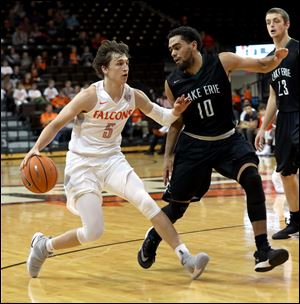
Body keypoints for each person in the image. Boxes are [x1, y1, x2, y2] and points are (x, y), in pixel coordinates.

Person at [20, 40, 209, 280]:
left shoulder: (133, 95)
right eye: (119, 63)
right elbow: (57, 124)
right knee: (93, 231)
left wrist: (176, 112)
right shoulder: (89, 96)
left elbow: (162, 117)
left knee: (147, 202)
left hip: (112, 160)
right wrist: (35, 149)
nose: (125, 67)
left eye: (127, 63)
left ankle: (187, 258)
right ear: (105, 69)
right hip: (82, 164)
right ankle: (44, 246)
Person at [137, 26, 289, 273]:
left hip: (227, 140)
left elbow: (261, 65)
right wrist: (167, 157)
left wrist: (275, 59)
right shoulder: (173, 82)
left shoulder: (222, 61)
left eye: (177, 47)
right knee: (178, 207)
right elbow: (176, 123)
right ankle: (154, 236)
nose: (173, 53)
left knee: (252, 178)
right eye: (170, 50)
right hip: (194, 145)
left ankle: (262, 250)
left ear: (193, 45)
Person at [255, 8, 299, 239]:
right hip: (284, 117)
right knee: (286, 172)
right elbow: (273, 96)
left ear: (286, 24)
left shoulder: (297, 49)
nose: (271, 25)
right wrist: (264, 127)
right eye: (268, 22)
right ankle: (296, 220)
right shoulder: (271, 59)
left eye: (276, 21)